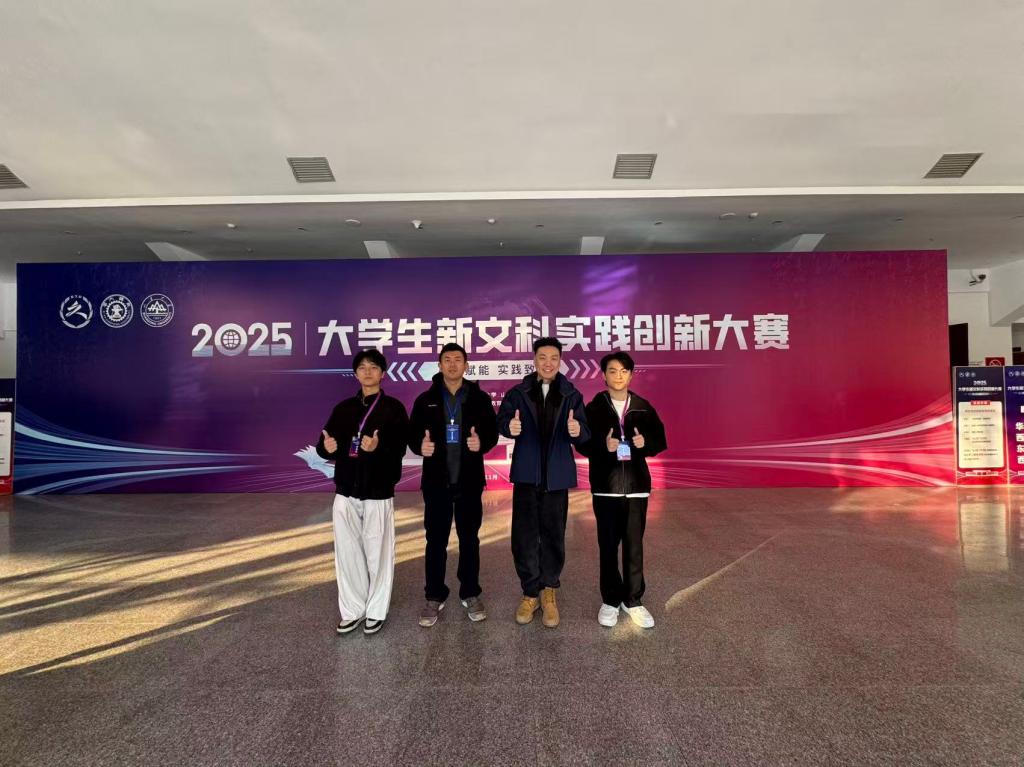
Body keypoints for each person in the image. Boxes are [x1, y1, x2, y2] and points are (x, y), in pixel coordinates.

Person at [496, 337, 590, 628]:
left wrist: (577, 430)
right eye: (542, 357)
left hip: (557, 477)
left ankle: (548, 590)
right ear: (534, 360)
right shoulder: (519, 392)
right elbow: (501, 421)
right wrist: (509, 427)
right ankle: (529, 593)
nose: (548, 363)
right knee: (523, 537)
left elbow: (586, 434)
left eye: (553, 358)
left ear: (560, 361)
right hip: (527, 475)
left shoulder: (571, 394)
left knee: (553, 535)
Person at [316, 348, 410, 635]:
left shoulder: (393, 408)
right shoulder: (343, 408)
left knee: (378, 554)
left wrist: (378, 447)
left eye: (373, 367)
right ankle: (352, 610)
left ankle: (376, 611)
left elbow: (401, 448)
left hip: (378, 490)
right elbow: (326, 443)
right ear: (355, 374)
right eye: (362, 367)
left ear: (383, 374)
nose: (368, 372)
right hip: (345, 489)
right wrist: (325, 449)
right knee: (347, 553)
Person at [408, 343, 499, 626]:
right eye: (446, 359)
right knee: (435, 540)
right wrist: (419, 446)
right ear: (439, 365)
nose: (452, 364)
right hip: (436, 482)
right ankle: (434, 595)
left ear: (466, 365)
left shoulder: (479, 398)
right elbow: (413, 435)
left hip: (469, 481)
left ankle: (470, 592)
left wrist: (481, 442)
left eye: (457, 359)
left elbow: (492, 432)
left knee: (469, 539)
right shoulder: (425, 399)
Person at [576, 351, 667, 628]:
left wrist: (644, 444)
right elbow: (582, 444)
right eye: (612, 371)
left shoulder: (642, 407)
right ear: (603, 375)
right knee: (607, 547)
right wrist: (602, 446)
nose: (618, 376)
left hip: (637, 487)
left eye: (624, 371)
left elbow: (660, 440)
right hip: (606, 488)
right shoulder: (594, 408)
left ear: (631, 375)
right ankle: (610, 600)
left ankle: (633, 600)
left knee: (634, 547)